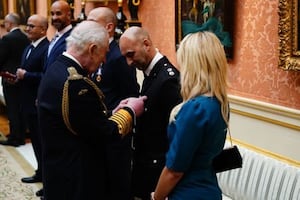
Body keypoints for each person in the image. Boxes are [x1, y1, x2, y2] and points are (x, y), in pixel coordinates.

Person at [37, 20, 146, 200]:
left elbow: (83, 120)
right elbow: (105, 133)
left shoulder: (58, 68)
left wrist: (112, 113)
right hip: (77, 177)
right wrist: (130, 111)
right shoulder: (76, 84)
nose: (104, 59)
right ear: (93, 49)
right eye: (104, 53)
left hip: (59, 169)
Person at [151, 31, 229, 200]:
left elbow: (174, 171)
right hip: (209, 188)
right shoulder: (220, 103)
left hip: (188, 192)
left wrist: (156, 197)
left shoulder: (195, 109)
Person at [119, 26, 182, 200]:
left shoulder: (168, 79)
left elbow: (173, 134)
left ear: (146, 44)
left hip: (157, 171)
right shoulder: (153, 74)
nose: (129, 63)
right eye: (125, 57)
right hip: (145, 165)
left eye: (130, 55)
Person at [87, 7, 140, 200]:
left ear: (108, 27)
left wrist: (115, 121)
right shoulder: (97, 52)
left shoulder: (118, 56)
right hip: (101, 129)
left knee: (117, 186)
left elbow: (131, 95)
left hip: (115, 134)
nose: (87, 25)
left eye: (93, 21)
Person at [15, 14, 49, 192]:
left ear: (43, 29)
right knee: (35, 141)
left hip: (38, 103)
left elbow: (46, 76)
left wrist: (26, 75)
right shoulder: (28, 47)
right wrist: (17, 78)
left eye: (31, 26)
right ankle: (40, 172)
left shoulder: (46, 48)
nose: (27, 29)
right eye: (27, 25)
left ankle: (46, 178)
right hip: (26, 101)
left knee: (42, 143)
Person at [0, 13, 30, 147]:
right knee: (20, 108)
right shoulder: (26, 37)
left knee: (12, 109)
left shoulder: (7, 38)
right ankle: (21, 135)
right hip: (22, 77)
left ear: (9, 23)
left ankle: (14, 138)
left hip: (9, 78)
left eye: (5, 23)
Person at [44, 0, 72, 72]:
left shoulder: (73, 37)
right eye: (52, 14)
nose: (54, 18)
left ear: (68, 15)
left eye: (58, 14)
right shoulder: (55, 37)